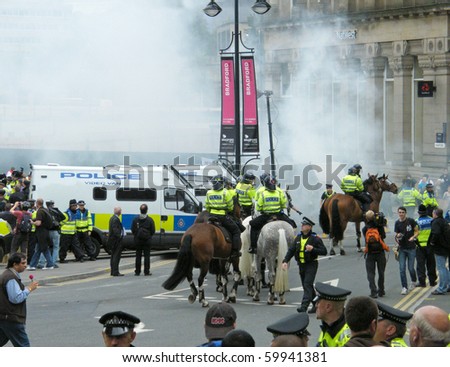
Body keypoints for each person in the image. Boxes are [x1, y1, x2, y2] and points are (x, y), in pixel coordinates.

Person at [281, 217, 327, 313]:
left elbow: (324, 251)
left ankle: (303, 307)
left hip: (311, 264)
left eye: (304, 225)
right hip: (301, 265)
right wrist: (285, 261)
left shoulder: (315, 239)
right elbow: (291, 250)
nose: (302, 226)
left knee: (307, 284)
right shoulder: (298, 237)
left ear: (309, 227)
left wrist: (313, 249)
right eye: (302, 225)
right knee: (307, 286)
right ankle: (316, 304)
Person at [0, 252, 39, 347]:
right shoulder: (11, 278)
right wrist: (29, 289)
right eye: (23, 263)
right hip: (12, 317)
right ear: (15, 264)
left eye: (26, 263)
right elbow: (16, 298)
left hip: (4, 317)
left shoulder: (7, 274)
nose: (25, 266)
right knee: (23, 345)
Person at [249, 175, 295, 254]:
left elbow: (259, 207)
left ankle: (253, 247)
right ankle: (294, 245)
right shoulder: (279, 192)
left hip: (266, 216)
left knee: (252, 224)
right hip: (279, 215)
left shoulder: (262, 193)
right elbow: (284, 205)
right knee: (292, 224)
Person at [205, 175, 242, 258]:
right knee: (236, 231)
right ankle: (235, 251)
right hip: (222, 216)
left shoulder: (209, 192)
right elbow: (230, 206)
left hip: (211, 216)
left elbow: (207, 206)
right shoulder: (226, 192)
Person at [313, 282, 352, 347]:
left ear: (328, 307)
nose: (316, 305)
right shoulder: (328, 326)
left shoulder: (348, 338)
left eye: (318, 302)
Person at [362, 210, 390, 298]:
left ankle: (373, 292)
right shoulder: (379, 227)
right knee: (381, 272)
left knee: (370, 274)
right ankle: (381, 290)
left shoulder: (365, 229)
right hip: (380, 252)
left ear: (366, 218)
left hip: (370, 253)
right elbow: (384, 236)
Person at [394, 206, 419, 295]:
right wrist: (398, 236)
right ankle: (404, 287)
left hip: (411, 248)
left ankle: (413, 280)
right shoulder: (397, 223)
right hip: (402, 248)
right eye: (399, 212)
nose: (401, 214)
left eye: (402, 212)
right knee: (402, 269)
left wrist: (413, 237)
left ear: (405, 213)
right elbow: (396, 233)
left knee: (411, 268)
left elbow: (417, 231)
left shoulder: (411, 221)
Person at [28, 198, 54, 270]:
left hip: (41, 233)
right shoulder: (45, 210)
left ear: (37, 203)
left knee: (44, 249)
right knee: (39, 249)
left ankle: (49, 264)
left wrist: (32, 222)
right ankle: (33, 265)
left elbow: (38, 223)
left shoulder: (39, 211)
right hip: (46, 232)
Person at [429, 208, 450, 295]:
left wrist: (432, 242)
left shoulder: (435, 222)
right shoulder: (444, 221)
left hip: (440, 248)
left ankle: (442, 288)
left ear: (435, 214)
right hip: (447, 247)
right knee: (445, 268)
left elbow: (436, 233)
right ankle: (448, 285)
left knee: (441, 268)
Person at [415, 204, 437, 287]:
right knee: (431, 264)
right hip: (430, 245)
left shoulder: (416, 221)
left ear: (418, 212)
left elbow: (414, 234)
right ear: (426, 212)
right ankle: (432, 281)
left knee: (420, 265)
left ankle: (422, 282)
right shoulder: (432, 220)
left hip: (419, 245)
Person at [131, 204, 155, 276]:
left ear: (140, 210)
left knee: (138, 256)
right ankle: (146, 271)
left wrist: (137, 235)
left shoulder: (135, 219)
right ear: (146, 210)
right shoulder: (150, 220)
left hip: (138, 240)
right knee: (147, 256)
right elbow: (153, 230)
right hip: (147, 241)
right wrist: (148, 236)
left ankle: (137, 271)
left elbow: (132, 229)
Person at [59, 199, 85, 263]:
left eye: (76, 205)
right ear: (71, 206)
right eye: (74, 205)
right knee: (64, 247)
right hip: (65, 233)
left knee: (76, 245)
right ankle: (62, 259)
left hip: (73, 232)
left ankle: (80, 257)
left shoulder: (75, 213)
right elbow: (61, 223)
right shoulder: (66, 214)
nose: (75, 207)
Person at [46, 200, 65, 268]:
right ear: (53, 205)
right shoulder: (55, 211)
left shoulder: (45, 211)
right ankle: (53, 263)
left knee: (47, 247)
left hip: (47, 232)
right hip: (55, 231)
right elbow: (63, 217)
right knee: (56, 247)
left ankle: (47, 262)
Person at [108, 206, 125, 276]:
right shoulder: (115, 219)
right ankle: (115, 271)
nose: (121, 212)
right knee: (116, 256)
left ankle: (113, 271)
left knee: (113, 256)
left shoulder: (113, 218)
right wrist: (120, 235)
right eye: (120, 210)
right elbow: (115, 230)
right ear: (119, 212)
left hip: (113, 240)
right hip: (116, 241)